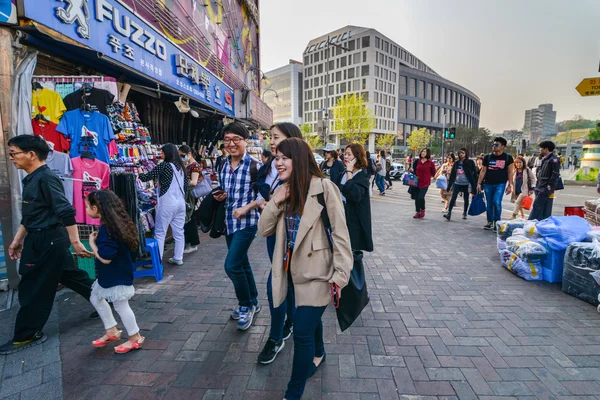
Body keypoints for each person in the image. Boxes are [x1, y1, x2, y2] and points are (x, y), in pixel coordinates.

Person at [257, 137, 352, 400]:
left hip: (319, 276)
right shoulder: (284, 190)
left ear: (298, 159)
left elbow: (342, 235)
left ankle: (293, 394)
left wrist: (340, 275)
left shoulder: (324, 188)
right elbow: (263, 230)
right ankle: (319, 353)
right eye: (276, 158)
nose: (278, 163)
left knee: (300, 332)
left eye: (284, 157)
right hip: (290, 273)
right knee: (308, 324)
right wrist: (275, 200)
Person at [1, 135, 94, 355]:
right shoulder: (31, 178)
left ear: (31, 154)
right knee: (73, 277)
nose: (11, 158)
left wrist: (75, 242)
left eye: (14, 153)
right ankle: (107, 302)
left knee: (32, 288)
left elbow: (65, 210)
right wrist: (17, 239)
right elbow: (32, 213)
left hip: (48, 240)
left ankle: (27, 334)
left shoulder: (46, 178)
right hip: (41, 238)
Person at [257, 122, 302, 364]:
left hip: (292, 237)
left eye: (276, 137)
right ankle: (290, 322)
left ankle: (275, 337)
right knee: (285, 281)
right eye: (270, 138)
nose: (271, 142)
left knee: (276, 284)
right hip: (273, 233)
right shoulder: (270, 166)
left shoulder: (303, 173)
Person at [216, 122, 264, 331]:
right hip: (228, 221)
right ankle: (253, 301)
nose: (231, 144)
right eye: (227, 139)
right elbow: (219, 188)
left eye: (236, 139)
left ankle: (245, 305)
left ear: (245, 141)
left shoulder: (256, 166)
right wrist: (219, 196)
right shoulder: (221, 164)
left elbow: (264, 195)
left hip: (247, 222)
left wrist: (246, 208)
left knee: (232, 265)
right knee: (242, 263)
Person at [85, 190, 144, 353]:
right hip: (115, 273)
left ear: (96, 208)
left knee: (121, 305)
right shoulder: (117, 224)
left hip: (115, 274)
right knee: (95, 298)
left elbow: (105, 257)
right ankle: (111, 330)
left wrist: (92, 245)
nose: (86, 210)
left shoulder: (107, 230)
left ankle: (135, 337)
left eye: (88, 206)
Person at [138, 144, 189, 265]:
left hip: (167, 203)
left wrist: (139, 170)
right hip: (180, 203)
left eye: (162, 153)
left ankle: (158, 260)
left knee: (160, 233)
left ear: (167, 154)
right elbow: (185, 186)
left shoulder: (164, 166)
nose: (161, 155)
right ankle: (178, 257)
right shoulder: (182, 167)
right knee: (179, 232)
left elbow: (146, 177)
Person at [477, 137, 515, 231]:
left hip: (500, 184)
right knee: (489, 203)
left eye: (496, 145)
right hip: (488, 184)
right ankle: (490, 221)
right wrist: (479, 183)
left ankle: (497, 222)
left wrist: (510, 185)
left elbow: (510, 172)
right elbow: (483, 171)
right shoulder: (488, 157)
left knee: (496, 202)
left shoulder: (508, 158)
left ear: (502, 146)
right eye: (493, 144)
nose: (494, 146)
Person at [179, 145, 203, 254]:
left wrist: (181, 183)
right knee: (188, 217)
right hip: (186, 194)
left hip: (190, 195)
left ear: (189, 154)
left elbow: (194, 182)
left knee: (190, 217)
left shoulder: (194, 166)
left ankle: (193, 243)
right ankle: (190, 242)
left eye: (182, 155)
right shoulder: (188, 164)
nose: (181, 157)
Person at [529, 141, 560, 221]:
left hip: (545, 187)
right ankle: (540, 225)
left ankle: (530, 223)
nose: (540, 150)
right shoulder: (545, 159)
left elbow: (555, 174)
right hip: (540, 186)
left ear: (546, 149)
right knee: (543, 208)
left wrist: (550, 185)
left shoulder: (554, 160)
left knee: (537, 205)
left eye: (541, 148)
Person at [444, 148, 477, 221]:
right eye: (460, 153)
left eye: (463, 153)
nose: (461, 154)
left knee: (466, 198)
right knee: (453, 198)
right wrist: (449, 186)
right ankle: (449, 213)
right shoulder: (456, 163)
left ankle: (465, 212)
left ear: (466, 154)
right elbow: (453, 174)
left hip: (466, 184)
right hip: (457, 183)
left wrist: (474, 185)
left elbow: (474, 174)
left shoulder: (470, 162)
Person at [411, 148, 437, 219]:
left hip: (425, 183)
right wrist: (412, 171)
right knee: (416, 197)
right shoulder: (417, 161)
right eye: (422, 151)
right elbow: (414, 171)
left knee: (421, 197)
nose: (423, 153)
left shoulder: (430, 162)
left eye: (424, 152)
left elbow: (433, 172)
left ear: (427, 153)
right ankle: (417, 211)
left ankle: (422, 209)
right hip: (416, 182)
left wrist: (428, 177)